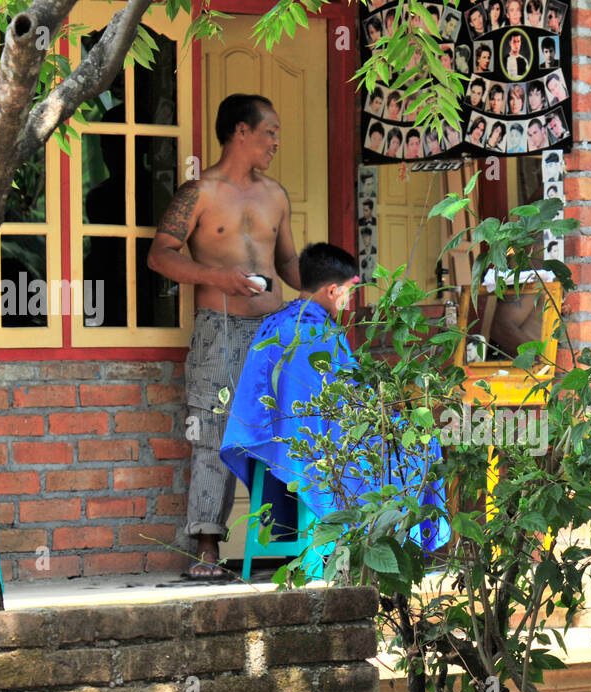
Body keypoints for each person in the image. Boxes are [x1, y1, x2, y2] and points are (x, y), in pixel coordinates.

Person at [146, 93, 301, 579]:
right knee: (212, 432)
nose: (276, 141)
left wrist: (324, 286)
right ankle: (208, 547)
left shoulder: (276, 195)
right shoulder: (200, 192)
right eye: (269, 131)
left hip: (273, 332)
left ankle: (283, 544)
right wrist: (220, 279)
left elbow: (290, 264)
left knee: (284, 427)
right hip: (221, 330)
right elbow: (160, 255)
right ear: (241, 131)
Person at [220, 243, 450, 553]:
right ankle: (391, 544)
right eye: (348, 293)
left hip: (274, 444)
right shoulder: (322, 334)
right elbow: (354, 405)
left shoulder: (273, 324)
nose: (349, 302)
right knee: (419, 444)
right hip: (314, 447)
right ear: (331, 291)